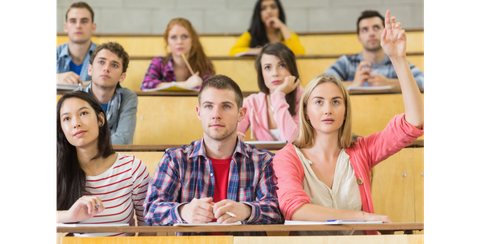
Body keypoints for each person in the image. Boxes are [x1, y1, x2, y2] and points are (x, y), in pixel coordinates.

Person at [272, 10, 424, 235]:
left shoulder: (362, 150)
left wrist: (398, 59)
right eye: (319, 102)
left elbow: (413, 123)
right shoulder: (288, 156)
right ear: (305, 112)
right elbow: (295, 209)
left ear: (345, 110)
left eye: (336, 102)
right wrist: (363, 217)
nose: (328, 110)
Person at [143, 75, 282, 235]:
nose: (216, 114)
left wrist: (247, 210)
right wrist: (182, 211)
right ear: (199, 112)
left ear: (241, 114)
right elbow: (150, 210)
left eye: (226, 106)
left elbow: (278, 209)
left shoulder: (263, 161)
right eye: (208, 106)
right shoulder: (175, 159)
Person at [55, 91, 151, 237]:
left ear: (100, 119)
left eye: (83, 113)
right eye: (67, 118)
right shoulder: (58, 170)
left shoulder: (132, 168)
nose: (76, 123)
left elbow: (148, 228)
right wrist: (69, 216)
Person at [323, 10, 424, 90]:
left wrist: (390, 84)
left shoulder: (395, 61)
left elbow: (424, 80)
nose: (371, 33)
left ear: (385, 32)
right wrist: (353, 84)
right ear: (359, 37)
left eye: (376, 27)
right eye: (365, 29)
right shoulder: (346, 62)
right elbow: (322, 84)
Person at [237, 43, 302, 142]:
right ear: (261, 73)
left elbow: (292, 141)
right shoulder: (251, 103)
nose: (275, 73)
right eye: (267, 67)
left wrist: (278, 95)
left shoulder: (306, 99)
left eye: (282, 65)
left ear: (292, 69)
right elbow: (231, 136)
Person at [74, 42, 137, 145]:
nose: (106, 68)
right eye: (101, 62)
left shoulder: (128, 97)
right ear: (90, 69)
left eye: (114, 65)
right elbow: (69, 139)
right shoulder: (75, 97)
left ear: (122, 77)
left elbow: (124, 140)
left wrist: (87, 143)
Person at [140, 18, 215, 91]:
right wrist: (185, 85)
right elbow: (145, 85)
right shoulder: (158, 62)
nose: (179, 42)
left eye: (184, 36)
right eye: (173, 37)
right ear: (167, 41)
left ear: (192, 40)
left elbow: (211, 91)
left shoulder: (203, 63)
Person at [229, 0, 305, 56]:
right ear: (258, 14)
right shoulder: (251, 34)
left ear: (279, 11)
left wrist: (282, 27)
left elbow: (300, 54)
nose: (269, 11)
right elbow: (233, 52)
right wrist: (259, 51)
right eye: (263, 8)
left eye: (273, 7)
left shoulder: (288, 34)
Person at [55, 1, 97, 85]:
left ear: (93, 27)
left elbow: (114, 84)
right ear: (65, 27)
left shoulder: (104, 56)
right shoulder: (55, 53)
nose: (78, 26)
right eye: (73, 21)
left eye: (84, 21)